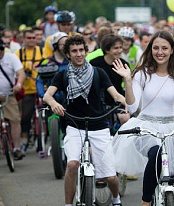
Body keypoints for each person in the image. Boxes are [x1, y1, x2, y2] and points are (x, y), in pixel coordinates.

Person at [111, 30, 174, 206]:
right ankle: (146, 201)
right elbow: (132, 107)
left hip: (172, 129)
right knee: (155, 154)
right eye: (155, 48)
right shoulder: (141, 74)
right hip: (145, 128)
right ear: (150, 50)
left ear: (172, 50)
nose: (160, 52)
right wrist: (128, 81)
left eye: (164, 48)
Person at [43, 35, 125, 206]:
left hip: (99, 125)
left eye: (81, 50)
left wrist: (126, 103)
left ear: (86, 52)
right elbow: (47, 95)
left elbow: (116, 94)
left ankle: (116, 200)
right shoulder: (63, 75)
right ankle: (68, 204)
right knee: (72, 165)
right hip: (74, 125)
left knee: (110, 176)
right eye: (74, 51)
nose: (79, 54)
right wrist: (54, 103)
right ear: (68, 55)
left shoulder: (98, 73)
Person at [90, 34, 131, 126]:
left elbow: (129, 85)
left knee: (125, 118)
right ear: (107, 50)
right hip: (99, 101)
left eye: (121, 47)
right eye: (116, 48)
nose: (119, 50)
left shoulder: (124, 64)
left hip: (118, 100)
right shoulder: (94, 63)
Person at [14, 29, 43, 154]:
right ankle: (24, 140)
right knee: (25, 116)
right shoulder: (18, 54)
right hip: (27, 90)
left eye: (33, 38)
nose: (31, 40)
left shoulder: (41, 51)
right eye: (29, 38)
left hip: (41, 88)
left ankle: (44, 138)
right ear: (23, 39)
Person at [0, 38, 26, 160]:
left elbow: (21, 73)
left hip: (8, 94)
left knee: (14, 119)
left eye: (1, 49)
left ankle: (16, 148)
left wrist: (19, 85)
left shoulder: (11, 57)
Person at [36, 32, 69, 99]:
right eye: (63, 44)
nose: (66, 47)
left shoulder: (72, 62)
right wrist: (44, 96)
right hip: (52, 101)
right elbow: (39, 81)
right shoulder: (46, 62)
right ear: (55, 46)